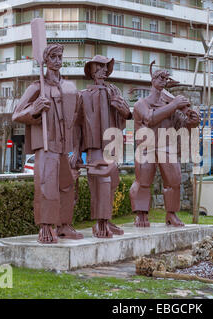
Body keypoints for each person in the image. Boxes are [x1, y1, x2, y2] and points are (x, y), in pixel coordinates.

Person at [12, 43, 83, 244]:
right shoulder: (36, 87)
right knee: (46, 186)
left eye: (60, 57)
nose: (58, 61)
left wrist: (77, 148)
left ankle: (64, 225)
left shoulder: (70, 87)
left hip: (63, 146)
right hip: (46, 145)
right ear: (45, 60)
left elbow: (76, 119)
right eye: (53, 57)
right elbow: (17, 114)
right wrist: (34, 108)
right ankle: (45, 226)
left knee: (67, 186)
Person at [129, 64, 200, 227]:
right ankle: (141, 214)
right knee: (143, 182)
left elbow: (181, 125)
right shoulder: (141, 103)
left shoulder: (169, 105)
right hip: (146, 147)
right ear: (153, 80)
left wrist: (192, 121)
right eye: (160, 77)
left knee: (174, 181)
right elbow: (150, 118)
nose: (164, 81)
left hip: (166, 147)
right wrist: (174, 105)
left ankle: (171, 214)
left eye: (166, 79)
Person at [71, 55, 132, 238]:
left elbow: (127, 116)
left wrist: (123, 109)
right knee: (100, 183)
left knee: (112, 183)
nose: (104, 70)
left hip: (112, 145)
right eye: (100, 66)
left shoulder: (114, 91)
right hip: (94, 146)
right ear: (91, 70)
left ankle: (106, 219)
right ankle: (100, 223)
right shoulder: (83, 95)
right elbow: (77, 125)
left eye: (106, 67)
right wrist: (76, 151)